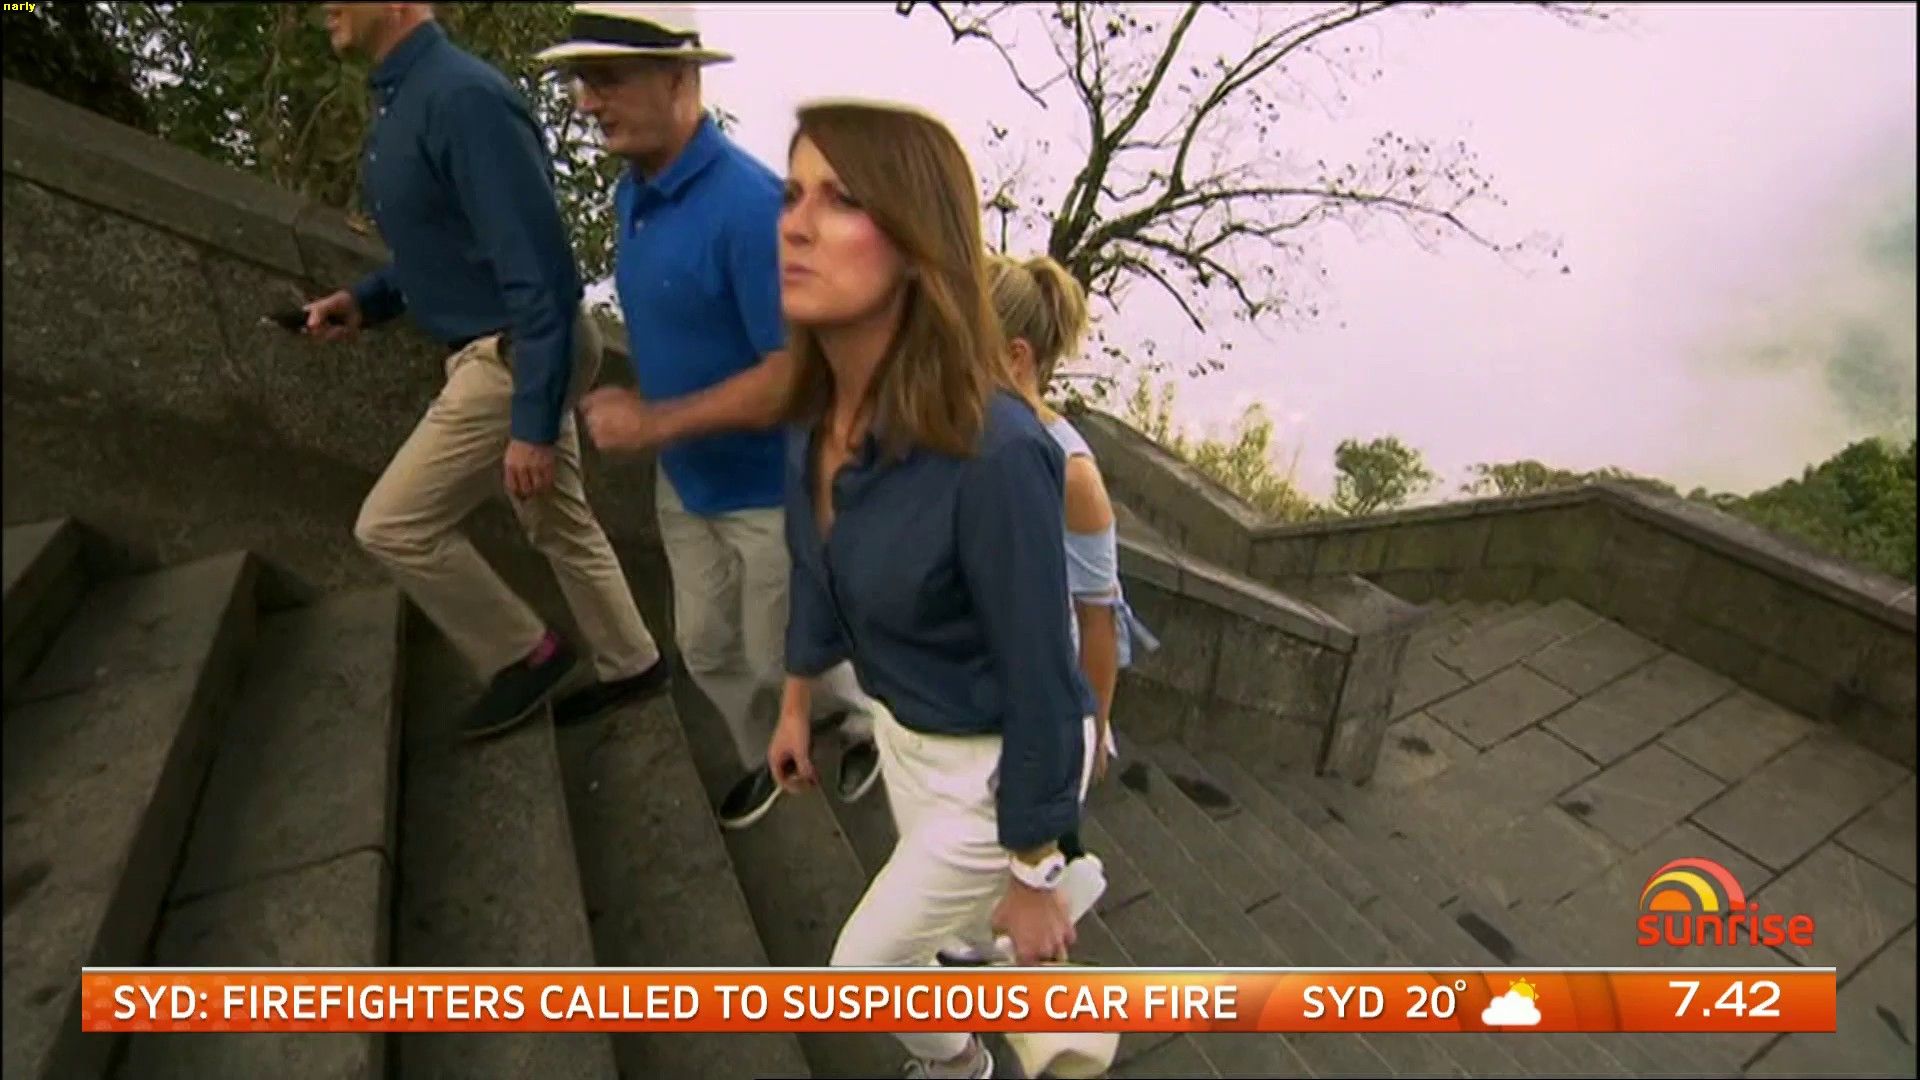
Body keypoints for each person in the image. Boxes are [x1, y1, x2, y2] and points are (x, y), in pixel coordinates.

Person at [762, 99, 1098, 1080]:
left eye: (841, 200)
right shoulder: (819, 413)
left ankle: (960, 1064)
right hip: (903, 729)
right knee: (942, 935)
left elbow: (1044, 679)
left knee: (863, 972)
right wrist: (795, 700)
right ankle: (999, 946)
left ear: (918, 248)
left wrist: (1032, 866)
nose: (795, 225)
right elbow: (816, 567)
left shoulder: (998, 452)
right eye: (792, 194)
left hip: (990, 766)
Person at [535, 4, 880, 830]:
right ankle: (770, 754)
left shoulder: (752, 210)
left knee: (782, 649)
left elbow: (796, 376)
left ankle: (870, 721)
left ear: (680, 78)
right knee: (706, 649)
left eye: (606, 78)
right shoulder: (632, 192)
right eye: (581, 80)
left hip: (767, 496)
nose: (586, 100)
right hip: (687, 487)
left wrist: (651, 425)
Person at [305, 2, 667, 739]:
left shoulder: (463, 97)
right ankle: (634, 664)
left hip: (516, 350)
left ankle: (525, 654)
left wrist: (531, 425)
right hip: (515, 344)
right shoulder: (407, 95)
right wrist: (366, 301)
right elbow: (447, 246)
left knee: (394, 525)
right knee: (557, 520)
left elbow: (539, 269)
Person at [985, 253, 1161, 845]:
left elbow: (1097, 620)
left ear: (1016, 358)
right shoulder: (972, 431)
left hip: (1041, 696)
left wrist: (1089, 736)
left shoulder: (1072, 474)